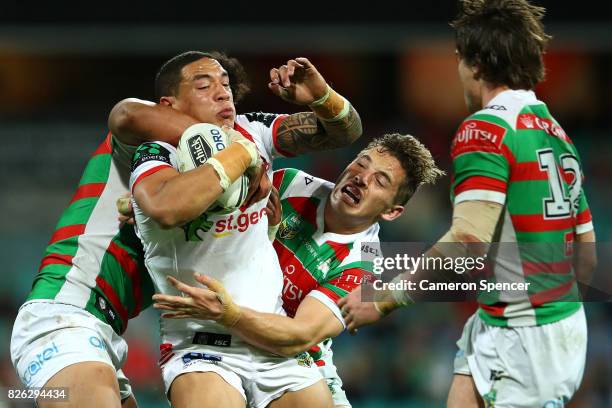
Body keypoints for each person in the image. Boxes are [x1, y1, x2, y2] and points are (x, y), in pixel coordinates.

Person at [338, 1, 597, 407]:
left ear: (476, 64)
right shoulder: (558, 135)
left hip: (521, 335)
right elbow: (587, 259)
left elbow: (467, 240)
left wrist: (383, 300)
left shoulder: (486, 129)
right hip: (549, 325)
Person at [127, 51, 363, 408]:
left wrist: (321, 95)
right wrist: (241, 158)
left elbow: (346, 131)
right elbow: (165, 209)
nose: (223, 93)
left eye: (226, 84)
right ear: (168, 105)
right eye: (204, 86)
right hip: (201, 345)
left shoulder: (253, 131)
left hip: (272, 337)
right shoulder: (157, 154)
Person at [151, 133, 444, 408]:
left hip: (288, 355)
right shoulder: (291, 185)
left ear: (391, 211)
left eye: (380, 181)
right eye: (361, 163)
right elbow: (214, 216)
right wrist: (152, 207)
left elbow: (299, 335)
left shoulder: (364, 266)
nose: (362, 178)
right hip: (213, 336)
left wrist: (230, 313)